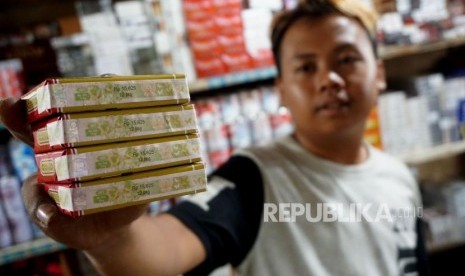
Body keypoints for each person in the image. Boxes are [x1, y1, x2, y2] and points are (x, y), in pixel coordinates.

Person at [0, 0, 429, 275]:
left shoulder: (399, 177)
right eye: (305, 67)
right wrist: (115, 241)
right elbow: (166, 252)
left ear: (381, 73)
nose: (329, 80)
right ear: (280, 89)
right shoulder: (255, 178)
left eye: (347, 59)